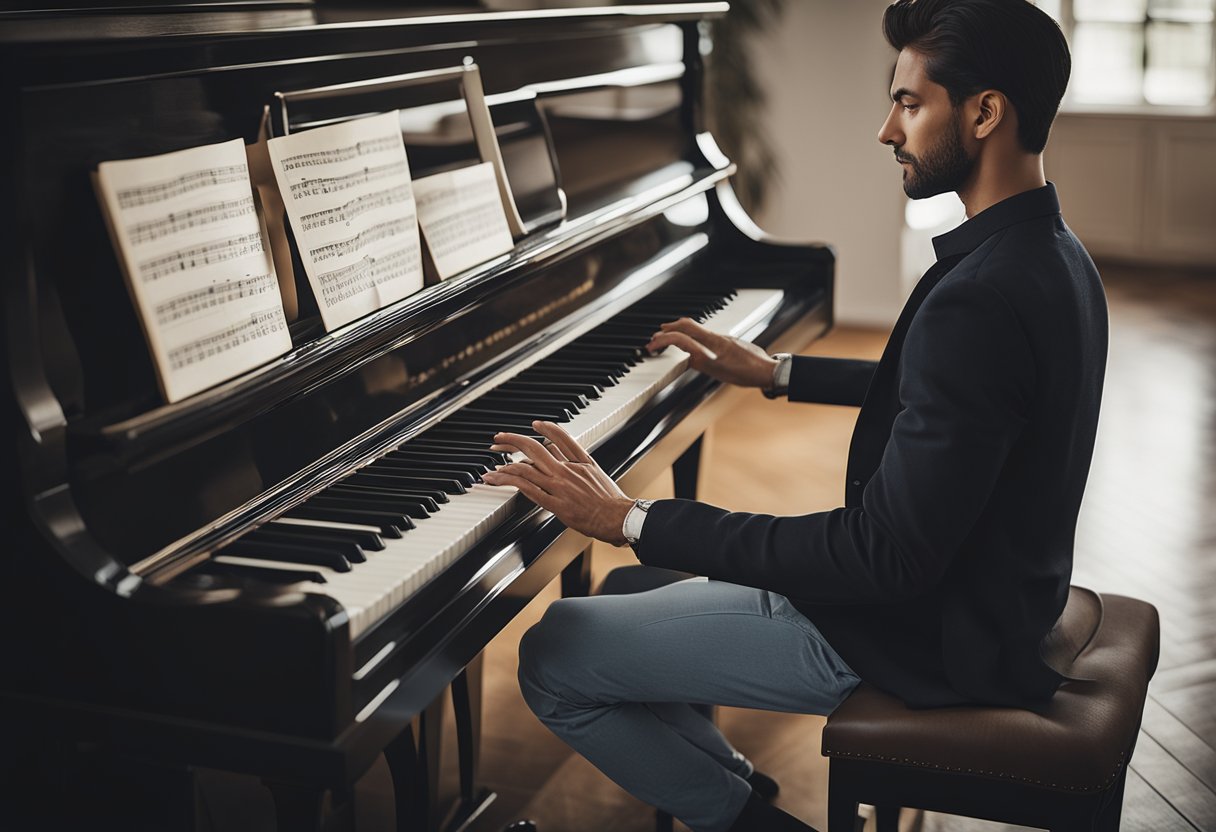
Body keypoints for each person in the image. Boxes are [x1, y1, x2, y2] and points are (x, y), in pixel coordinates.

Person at [480, 1, 1107, 829]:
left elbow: (881, 557)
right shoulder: (1055, 257)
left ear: (985, 112)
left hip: (920, 633)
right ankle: (737, 782)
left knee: (554, 653)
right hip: (994, 601)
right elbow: (962, 402)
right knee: (637, 587)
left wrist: (630, 516)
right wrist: (776, 371)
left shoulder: (982, 295)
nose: (888, 130)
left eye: (910, 104)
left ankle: (746, 819)